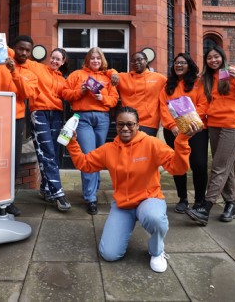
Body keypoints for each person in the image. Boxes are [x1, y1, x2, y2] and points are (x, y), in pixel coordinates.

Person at [66, 106, 193, 272]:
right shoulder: (109, 149)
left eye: (130, 124)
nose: (125, 128)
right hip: (123, 205)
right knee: (109, 254)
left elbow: (179, 169)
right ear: (116, 126)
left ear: (138, 125)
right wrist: (72, 142)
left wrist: (182, 141)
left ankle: (157, 251)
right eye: (120, 124)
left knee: (154, 218)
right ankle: (126, 225)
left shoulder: (152, 144)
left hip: (149, 199)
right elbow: (84, 163)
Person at [186, 45, 235, 225]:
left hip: (232, 124)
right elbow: (203, 103)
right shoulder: (206, 79)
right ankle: (231, 204)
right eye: (209, 58)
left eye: (216, 57)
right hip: (214, 125)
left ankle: (206, 207)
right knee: (226, 166)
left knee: (218, 167)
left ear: (223, 57)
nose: (213, 60)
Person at [0, 35, 39, 216]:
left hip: (16, 119)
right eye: (21, 49)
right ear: (13, 48)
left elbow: (26, 93)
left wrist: (14, 72)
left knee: (12, 161)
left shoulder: (30, 72)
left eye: (28, 50)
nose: (24, 53)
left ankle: (7, 200)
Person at [62, 47, 119, 215]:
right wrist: (81, 91)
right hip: (83, 118)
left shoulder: (107, 77)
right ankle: (90, 197)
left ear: (102, 61)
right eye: (92, 58)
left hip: (102, 118)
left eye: (98, 58)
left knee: (100, 156)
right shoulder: (76, 75)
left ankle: (93, 187)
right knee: (88, 156)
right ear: (87, 60)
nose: (95, 61)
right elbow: (65, 93)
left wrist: (104, 98)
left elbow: (115, 100)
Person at [160, 53, 209, 213]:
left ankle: (200, 199)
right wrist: (173, 125)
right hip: (174, 132)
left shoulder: (198, 83)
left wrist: (191, 123)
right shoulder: (168, 86)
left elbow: (203, 104)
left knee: (199, 164)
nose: (178, 65)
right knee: (178, 165)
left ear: (189, 65)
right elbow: (163, 106)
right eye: (176, 63)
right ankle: (182, 198)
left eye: (182, 62)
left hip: (196, 130)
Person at [24, 47, 72, 211]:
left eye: (58, 59)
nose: (54, 61)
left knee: (53, 153)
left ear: (63, 62)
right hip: (39, 113)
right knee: (48, 152)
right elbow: (17, 55)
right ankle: (59, 194)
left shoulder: (63, 80)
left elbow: (70, 94)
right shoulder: (38, 68)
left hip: (57, 115)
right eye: (53, 58)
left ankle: (45, 188)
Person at [110, 51, 167, 136]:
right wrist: (113, 72)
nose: (136, 62)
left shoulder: (159, 79)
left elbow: (173, 89)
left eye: (139, 60)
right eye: (133, 61)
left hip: (149, 123)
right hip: (128, 121)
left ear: (146, 61)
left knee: (145, 148)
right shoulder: (123, 78)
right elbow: (104, 74)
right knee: (127, 148)